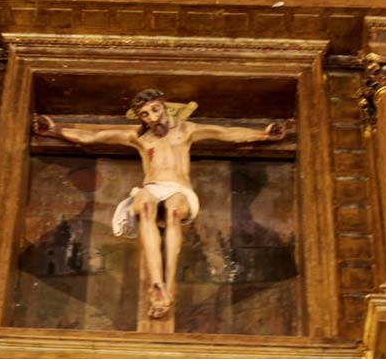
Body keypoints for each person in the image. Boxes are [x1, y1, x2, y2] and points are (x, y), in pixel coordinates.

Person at [34, 89, 286, 318]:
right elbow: (93, 137)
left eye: (155, 110)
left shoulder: (186, 130)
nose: (153, 118)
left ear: (164, 106)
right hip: (152, 189)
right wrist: (54, 130)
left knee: (174, 209)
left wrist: (264, 134)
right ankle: (156, 284)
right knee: (145, 203)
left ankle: (169, 286)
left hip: (179, 191)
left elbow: (226, 133)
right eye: (145, 114)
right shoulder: (139, 138)